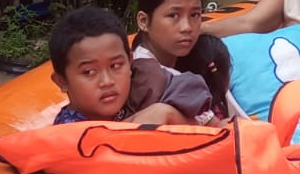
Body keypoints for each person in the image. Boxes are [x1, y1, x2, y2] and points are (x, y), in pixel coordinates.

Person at [50, 7, 210, 126]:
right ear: (62, 81)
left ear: (130, 62)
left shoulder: (141, 87)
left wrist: (168, 114)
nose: (107, 81)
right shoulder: (69, 132)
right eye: (89, 72)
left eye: (115, 65)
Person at [133, 0, 229, 122]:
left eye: (195, 15)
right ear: (143, 21)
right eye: (173, 15)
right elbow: (218, 129)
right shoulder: (156, 77)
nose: (187, 27)